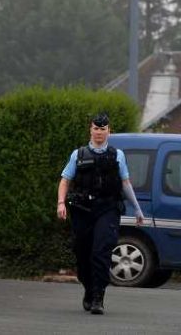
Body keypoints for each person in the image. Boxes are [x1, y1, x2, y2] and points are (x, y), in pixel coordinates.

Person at [57, 112, 145, 315]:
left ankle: (98, 296)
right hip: (82, 211)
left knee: (101, 252)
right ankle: (88, 288)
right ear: (91, 130)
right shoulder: (77, 155)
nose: (99, 132)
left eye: (103, 129)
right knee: (82, 254)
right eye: (96, 128)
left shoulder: (117, 155)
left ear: (109, 131)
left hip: (108, 209)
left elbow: (125, 183)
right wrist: (61, 203)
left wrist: (138, 209)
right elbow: (65, 180)